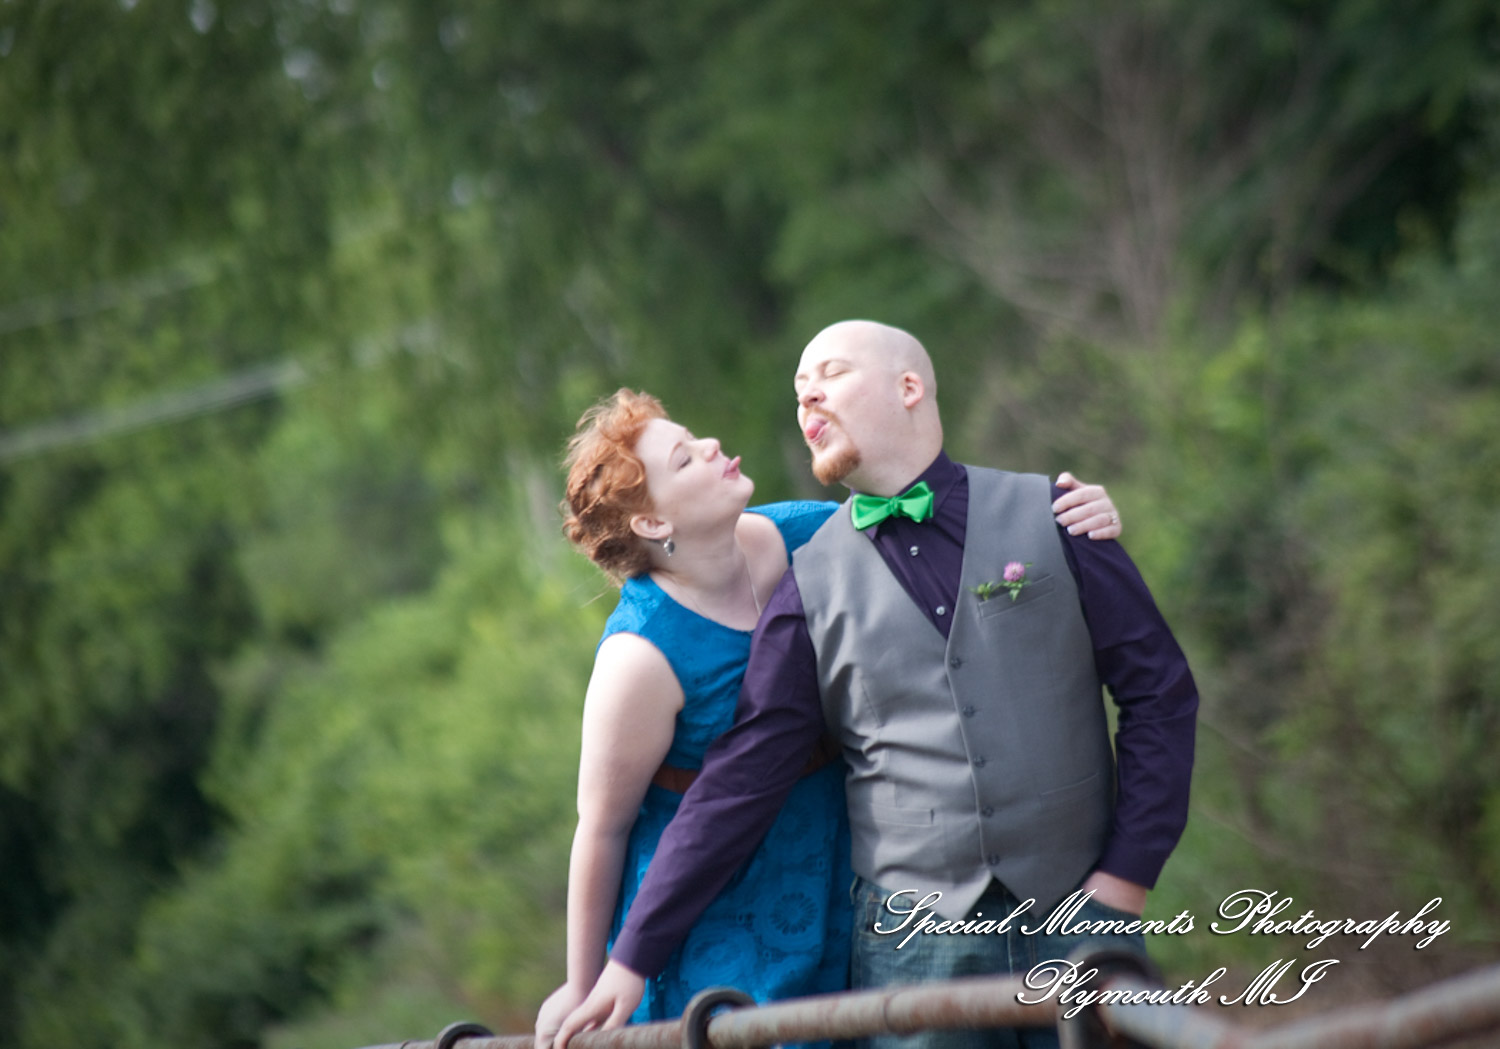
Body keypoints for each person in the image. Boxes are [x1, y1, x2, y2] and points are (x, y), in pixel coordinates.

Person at [553, 323, 1198, 1049]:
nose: (808, 399)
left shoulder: (1053, 516)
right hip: (911, 951)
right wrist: (626, 961)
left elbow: (1160, 698)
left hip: (1085, 925)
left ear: (909, 387)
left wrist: (1125, 881)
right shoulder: (810, 575)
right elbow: (741, 777)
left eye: (829, 374)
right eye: (799, 392)